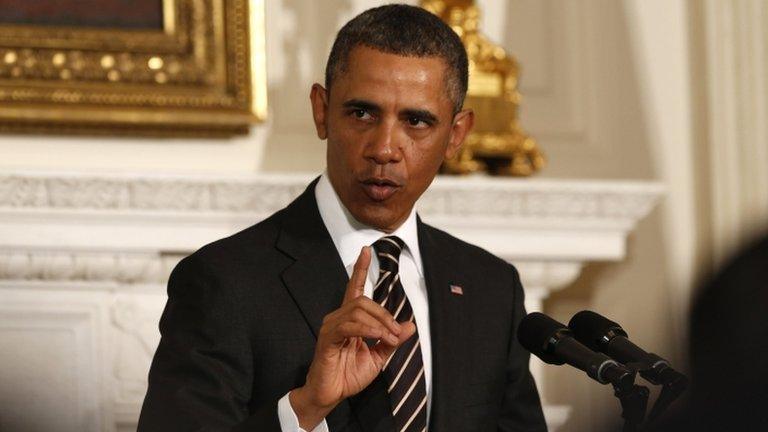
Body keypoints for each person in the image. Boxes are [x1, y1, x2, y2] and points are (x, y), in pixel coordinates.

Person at [138, 4, 546, 431]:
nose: (385, 148)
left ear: (456, 135)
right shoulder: (222, 282)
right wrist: (305, 408)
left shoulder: (491, 287)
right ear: (322, 111)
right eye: (362, 113)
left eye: (417, 121)